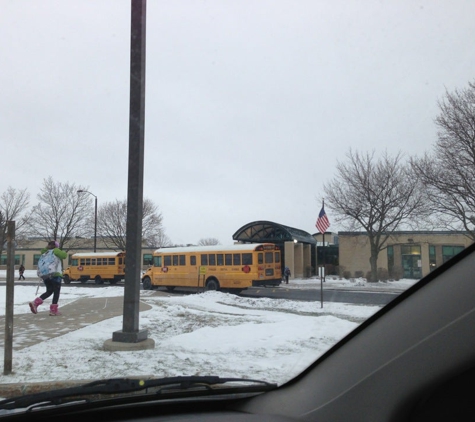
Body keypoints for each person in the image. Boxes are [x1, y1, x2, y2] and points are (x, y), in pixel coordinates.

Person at [29, 240, 67, 316]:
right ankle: (53, 310)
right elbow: (64, 256)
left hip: (45, 275)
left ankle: (35, 303)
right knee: (56, 292)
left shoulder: (45, 252)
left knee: (49, 291)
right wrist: (58, 249)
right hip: (55, 274)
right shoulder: (56, 250)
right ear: (56, 246)